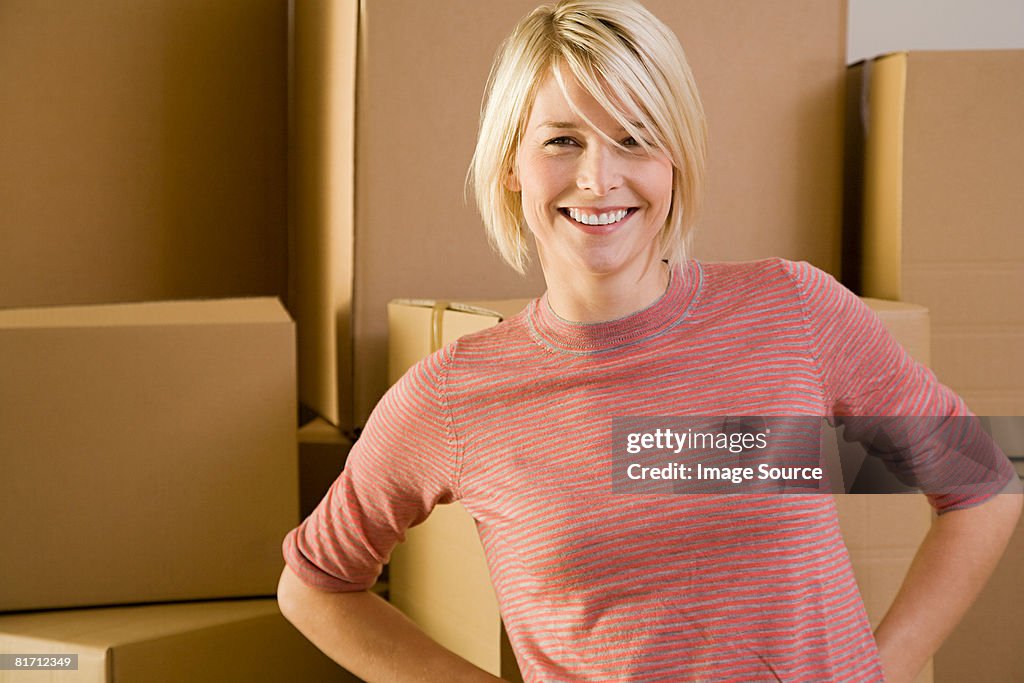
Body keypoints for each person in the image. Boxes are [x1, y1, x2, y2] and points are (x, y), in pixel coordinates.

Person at [277, 1, 1022, 681]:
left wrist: (872, 670)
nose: (599, 178)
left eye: (634, 138)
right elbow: (314, 587)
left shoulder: (793, 307)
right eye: (562, 140)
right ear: (511, 162)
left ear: (676, 158)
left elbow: (983, 487)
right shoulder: (453, 395)